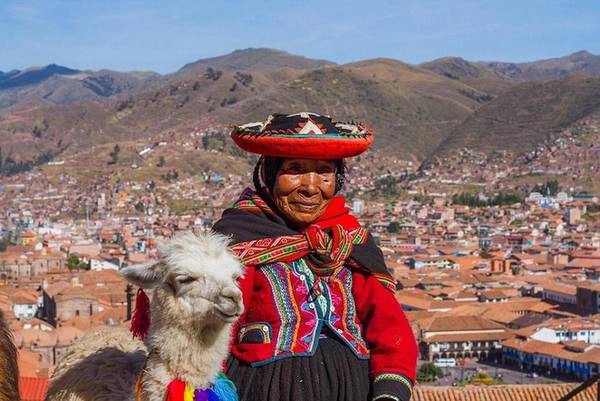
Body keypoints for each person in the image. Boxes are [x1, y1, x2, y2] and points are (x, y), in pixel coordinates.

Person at [213, 112, 417, 401]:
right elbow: (210, 332)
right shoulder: (237, 241)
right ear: (268, 174)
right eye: (295, 169)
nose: (311, 187)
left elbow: (391, 330)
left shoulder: (350, 242)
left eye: (324, 172)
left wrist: (389, 394)